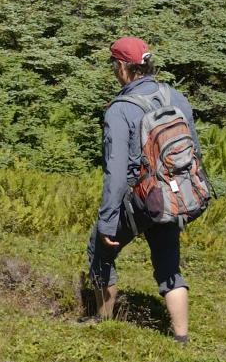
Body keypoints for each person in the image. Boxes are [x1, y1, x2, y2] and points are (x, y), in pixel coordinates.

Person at [83, 36, 194, 342]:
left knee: (100, 250)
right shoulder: (176, 97)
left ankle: (103, 320)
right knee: (169, 266)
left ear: (122, 67)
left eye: (113, 65)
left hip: (140, 198)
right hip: (171, 196)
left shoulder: (120, 109)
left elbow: (116, 174)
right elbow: (192, 151)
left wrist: (107, 220)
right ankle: (181, 339)